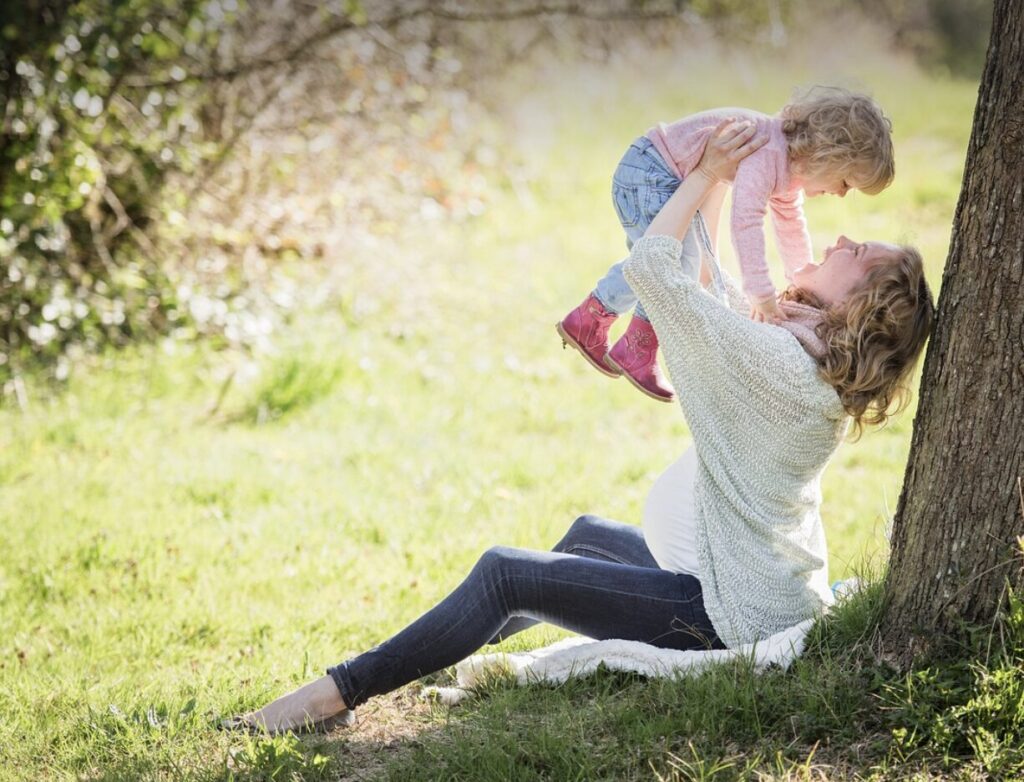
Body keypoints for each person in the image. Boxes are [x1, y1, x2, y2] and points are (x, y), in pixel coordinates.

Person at [220, 120, 932, 736]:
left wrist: (710, 172)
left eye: (860, 254)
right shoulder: (805, 360)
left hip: (725, 613)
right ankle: (418, 657)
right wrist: (720, 183)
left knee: (507, 573)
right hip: (749, 583)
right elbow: (718, 288)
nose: (842, 236)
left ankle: (334, 694)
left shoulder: (777, 364)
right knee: (586, 536)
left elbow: (655, 268)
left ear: (860, 307)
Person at [557, 86, 894, 402]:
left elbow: (790, 226)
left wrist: (799, 278)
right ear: (827, 155)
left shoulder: (788, 168)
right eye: (846, 182)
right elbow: (745, 221)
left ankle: (596, 323)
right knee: (670, 262)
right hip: (650, 172)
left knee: (669, 261)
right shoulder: (770, 153)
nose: (840, 193)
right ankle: (631, 343)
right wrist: (760, 293)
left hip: (659, 174)